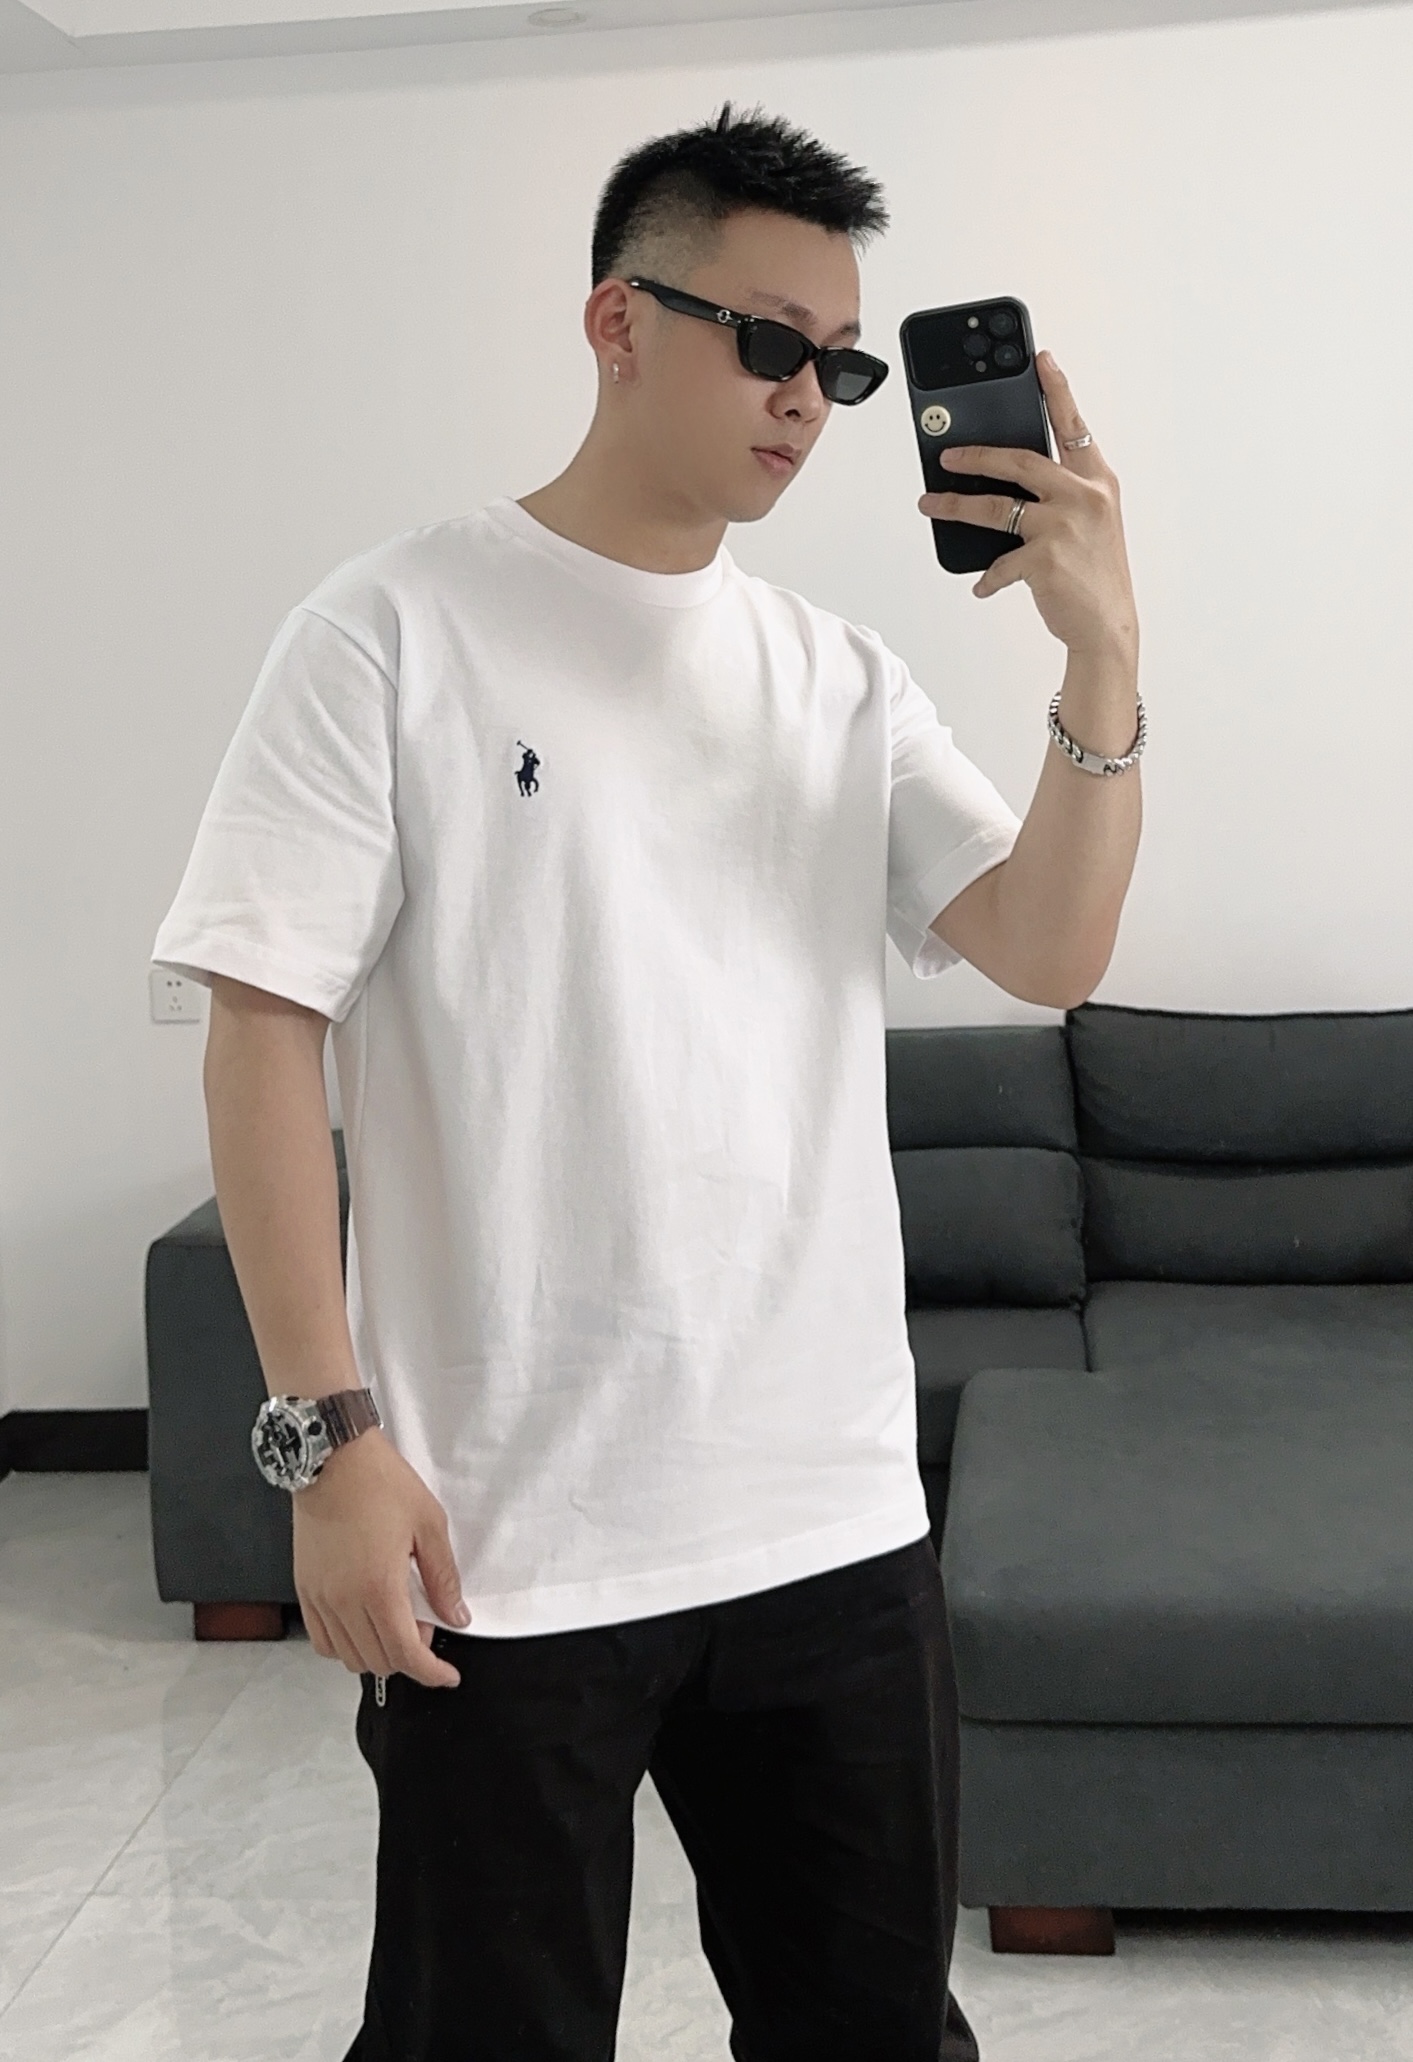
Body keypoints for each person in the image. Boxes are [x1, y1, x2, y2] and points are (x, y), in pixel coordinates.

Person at [151, 100, 1141, 2062]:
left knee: (871, 2034)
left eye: (839, 367)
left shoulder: (836, 676)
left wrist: (1098, 654)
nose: (803, 400)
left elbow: (1046, 944)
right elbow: (264, 1024)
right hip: (504, 1535)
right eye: (767, 342)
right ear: (616, 320)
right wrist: (327, 1445)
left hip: (827, 1513)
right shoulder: (388, 630)